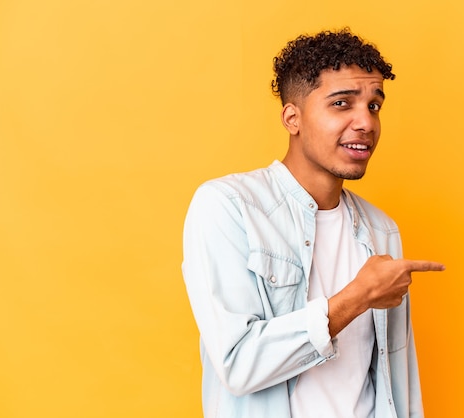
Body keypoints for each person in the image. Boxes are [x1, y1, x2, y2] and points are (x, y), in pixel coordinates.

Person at [182, 28, 445, 418]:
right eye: (342, 103)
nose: (366, 123)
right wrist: (358, 297)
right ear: (293, 118)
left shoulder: (381, 229)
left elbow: (397, 382)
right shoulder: (229, 206)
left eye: (374, 106)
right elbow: (238, 363)